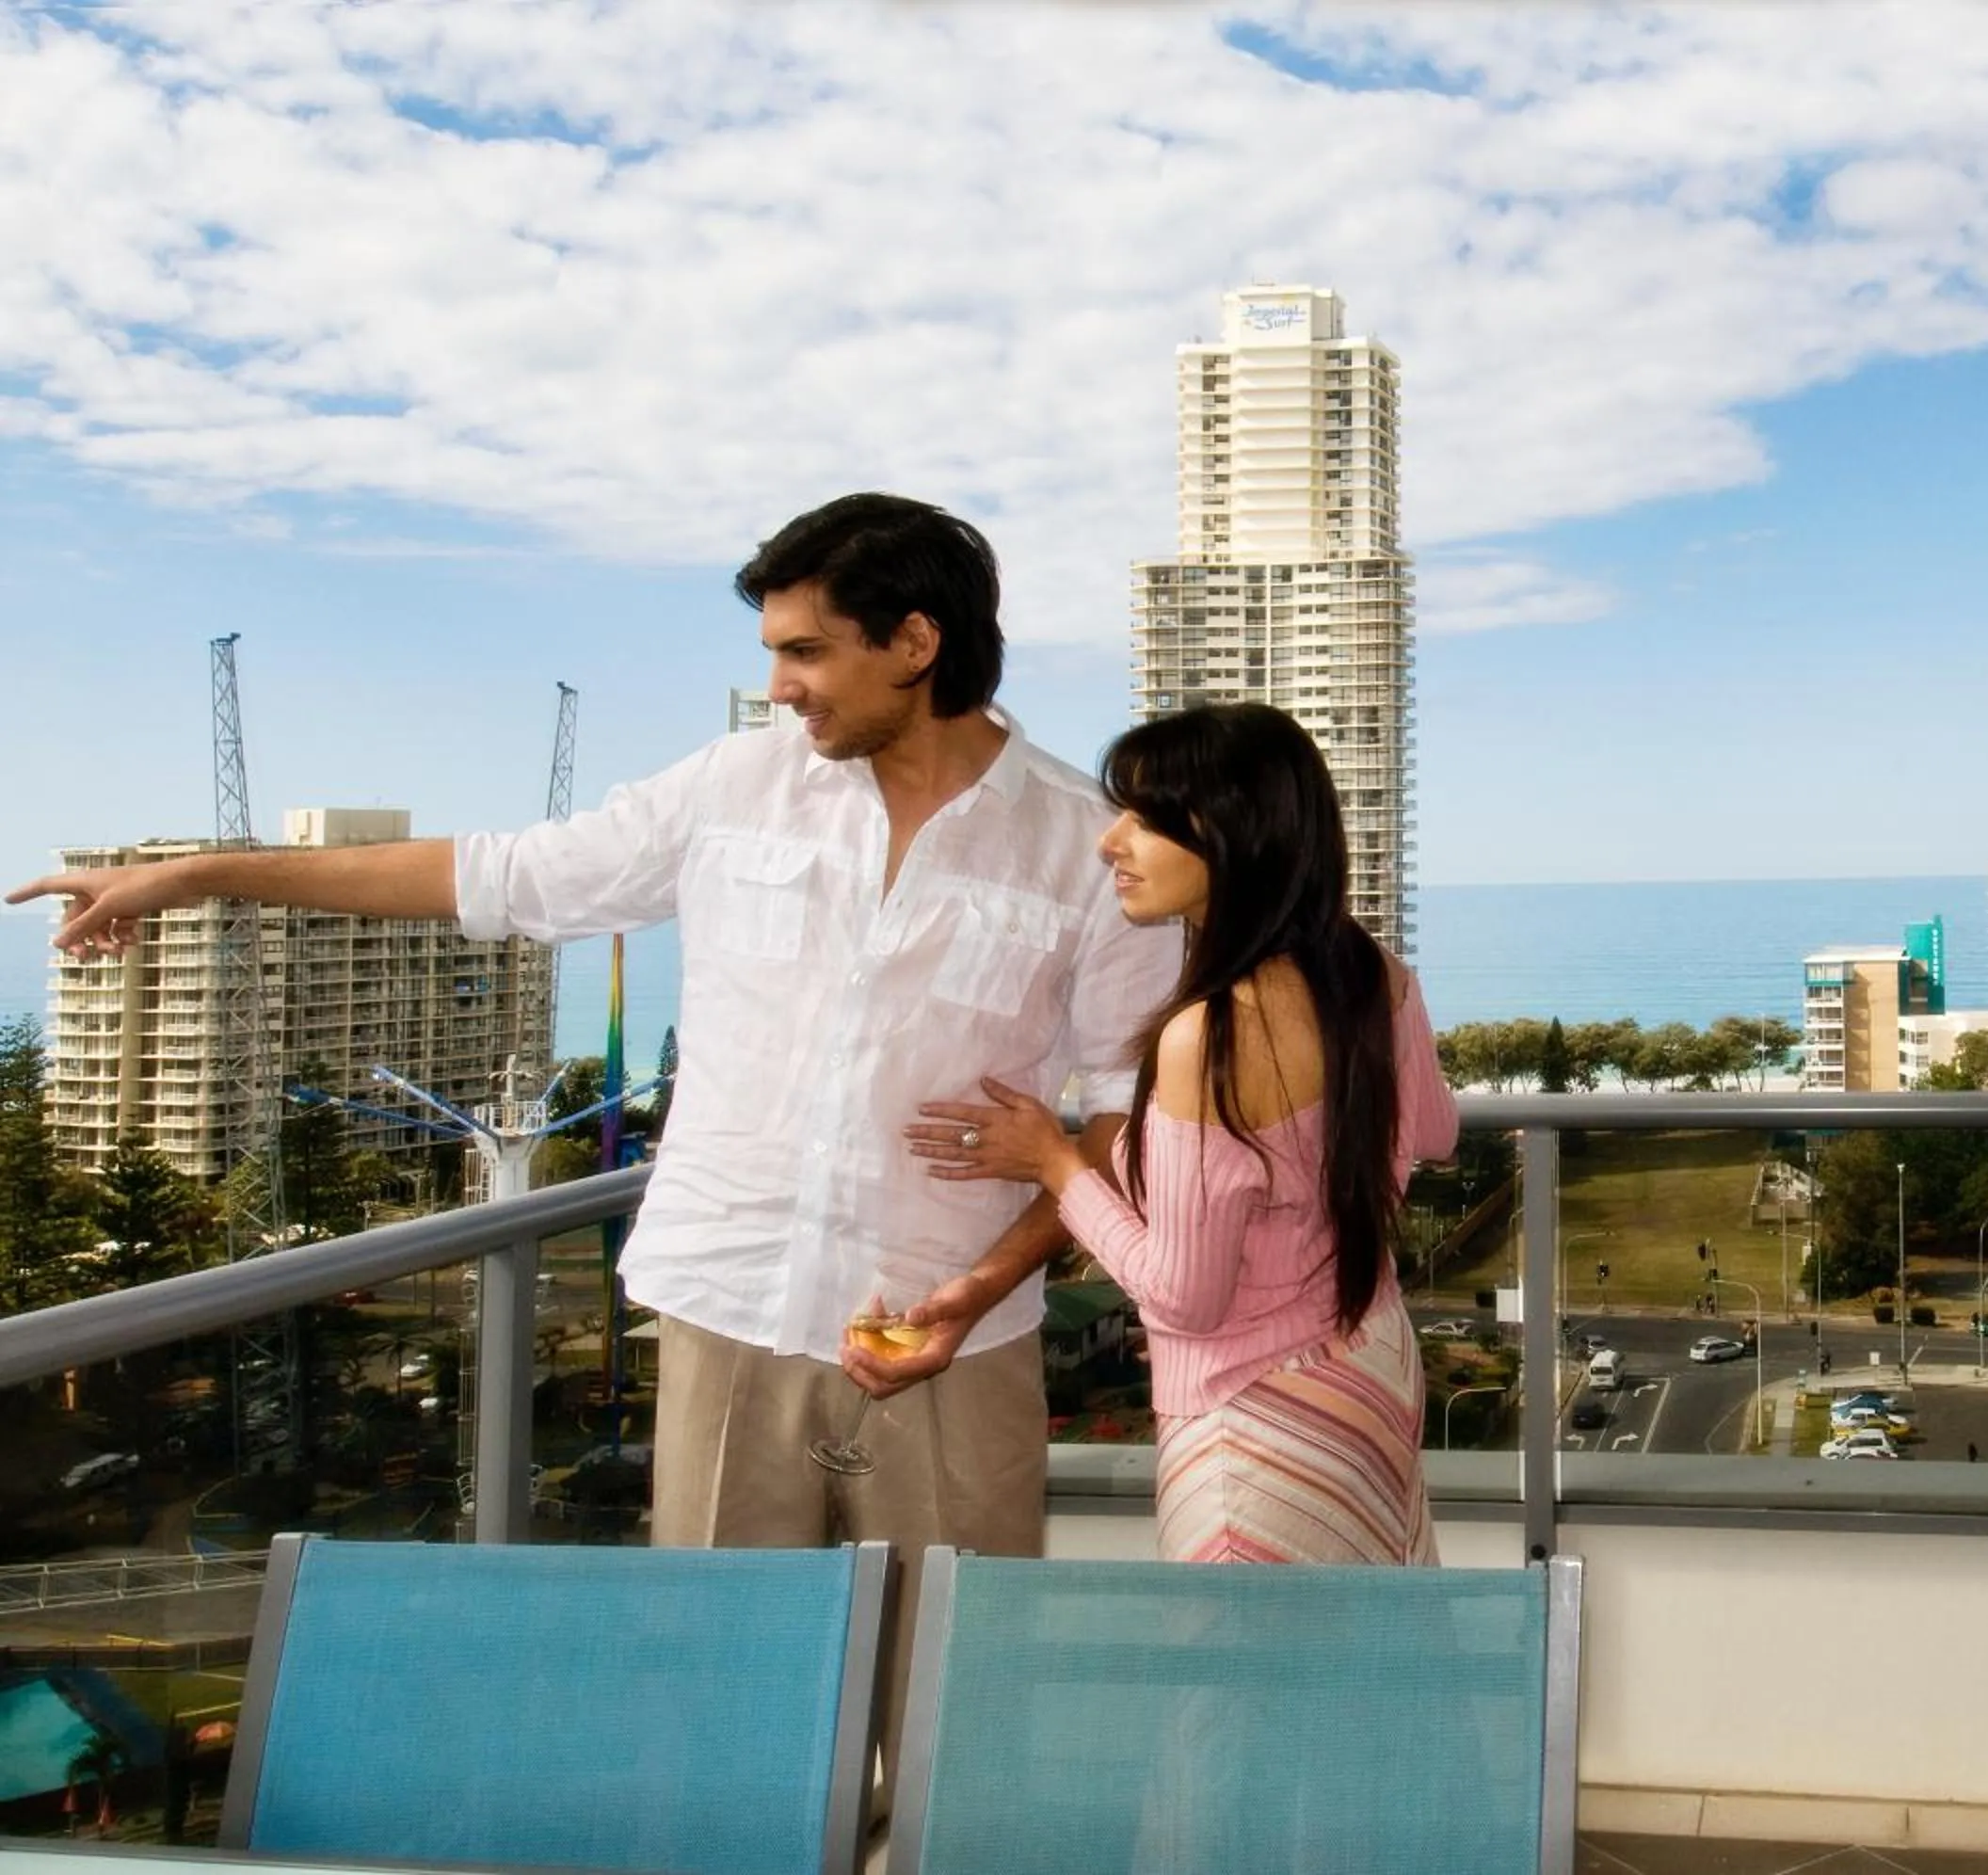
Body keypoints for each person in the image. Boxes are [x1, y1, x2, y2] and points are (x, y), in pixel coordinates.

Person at [10, 492, 1178, 1737]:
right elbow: (493, 876)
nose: (779, 686)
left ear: (915, 643)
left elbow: (1120, 1118)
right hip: (731, 1311)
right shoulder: (733, 788)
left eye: (805, 651)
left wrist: (979, 1287)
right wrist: (197, 873)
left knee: (960, 1701)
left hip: (959, 1330)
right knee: (728, 1703)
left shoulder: (1081, 845)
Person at [912, 702, 1457, 1565]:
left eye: (1145, 819)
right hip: (1370, 1372)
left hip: (1255, 1429)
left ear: (1233, 835)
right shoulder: (1370, 970)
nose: (1110, 842)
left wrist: (1060, 1166)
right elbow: (1432, 1131)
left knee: (1241, 1689)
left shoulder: (1212, 1037)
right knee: (1362, 1670)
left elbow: (1185, 1298)